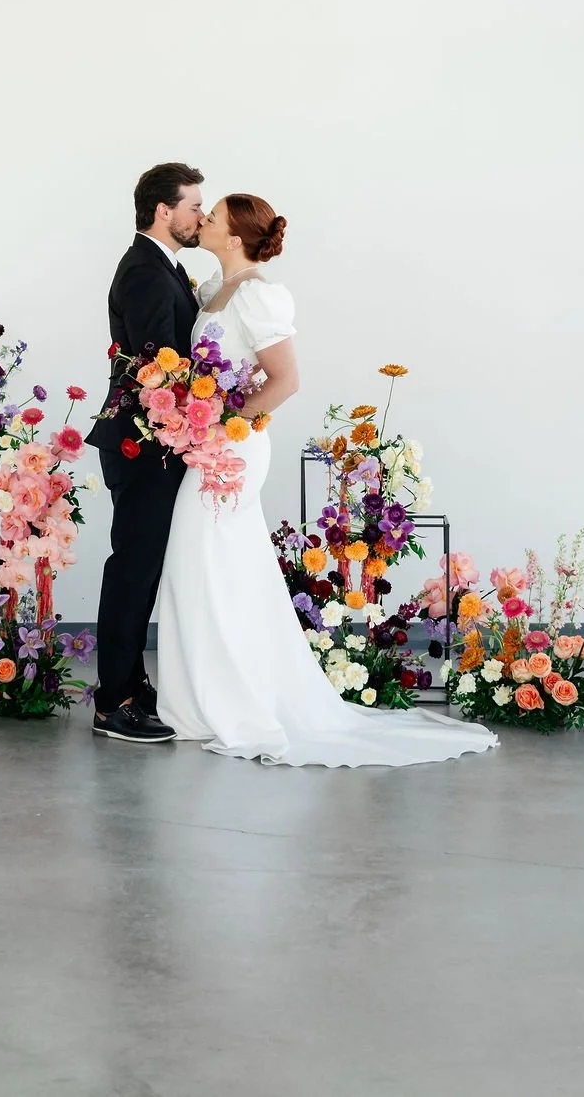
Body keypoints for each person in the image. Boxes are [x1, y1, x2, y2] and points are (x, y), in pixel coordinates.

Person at [151, 193, 497, 767]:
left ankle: (233, 700)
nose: (203, 221)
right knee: (206, 564)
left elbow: (285, 381)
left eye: (213, 218)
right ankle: (202, 698)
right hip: (211, 446)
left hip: (231, 451)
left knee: (212, 560)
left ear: (235, 237)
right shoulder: (216, 289)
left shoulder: (260, 293)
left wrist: (223, 425)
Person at [86, 163, 203, 742]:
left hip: (155, 441)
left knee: (143, 567)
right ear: (165, 209)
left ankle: (130, 684)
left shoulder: (165, 268)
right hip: (143, 444)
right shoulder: (145, 272)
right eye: (193, 206)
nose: (200, 216)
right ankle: (114, 702)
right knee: (133, 570)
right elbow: (161, 366)